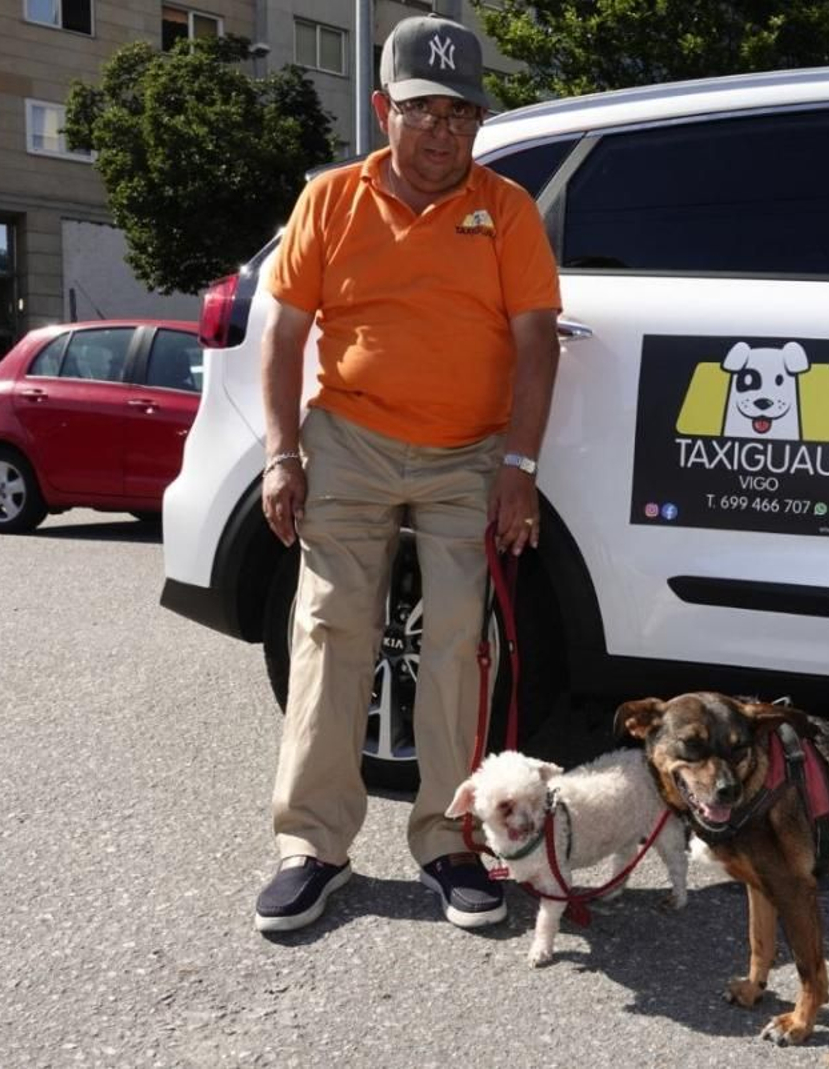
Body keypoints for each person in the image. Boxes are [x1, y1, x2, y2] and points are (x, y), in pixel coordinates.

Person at [252, 13, 561, 933]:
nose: (444, 133)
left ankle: (449, 837)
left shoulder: (505, 210)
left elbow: (537, 341)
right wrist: (279, 453)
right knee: (331, 627)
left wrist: (519, 464)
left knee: (463, 636)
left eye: (462, 115)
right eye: (425, 112)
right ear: (385, 109)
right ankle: (312, 844)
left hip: (470, 450)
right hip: (348, 438)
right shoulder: (331, 200)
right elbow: (282, 334)